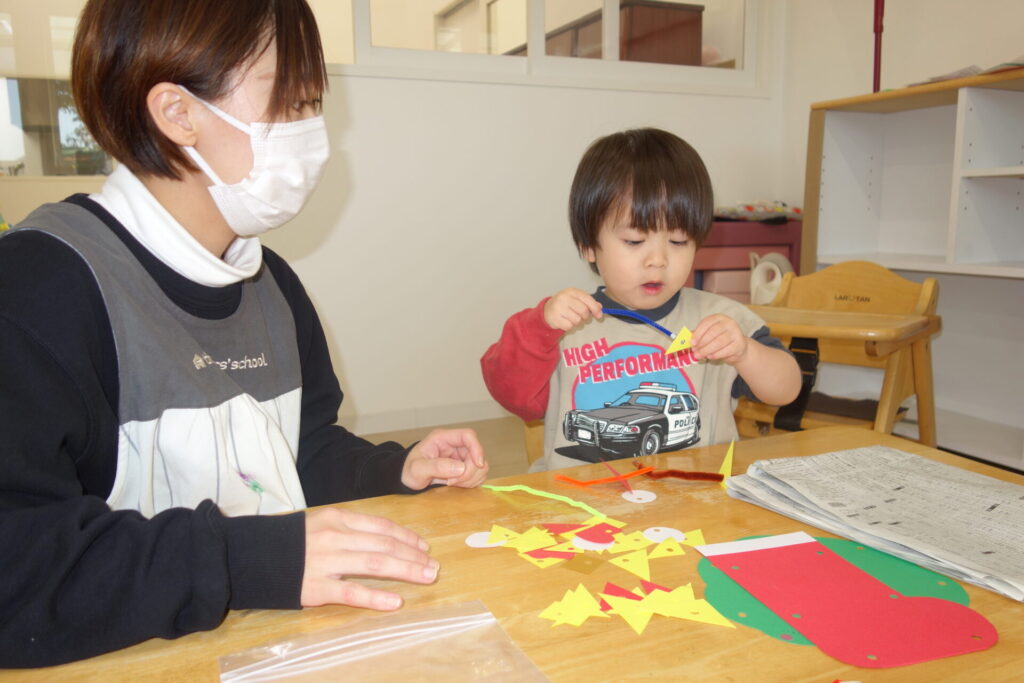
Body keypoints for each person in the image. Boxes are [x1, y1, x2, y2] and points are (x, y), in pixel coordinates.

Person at [0, 0, 488, 668]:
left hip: (270, 646)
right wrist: (246, 559)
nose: (313, 134)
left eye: (313, 103)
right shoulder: (37, 289)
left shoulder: (271, 283)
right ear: (178, 113)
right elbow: (19, 567)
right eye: (289, 102)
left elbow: (297, 453)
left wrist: (391, 469)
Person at [481, 128, 801, 471]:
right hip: (580, 497)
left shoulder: (720, 321)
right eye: (634, 241)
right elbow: (511, 395)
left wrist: (745, 352)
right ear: (589, 246)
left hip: (696, 495)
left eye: (678, 241)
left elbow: (786, 390)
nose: (658, 260)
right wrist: (540, 327)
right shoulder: (565, 326)